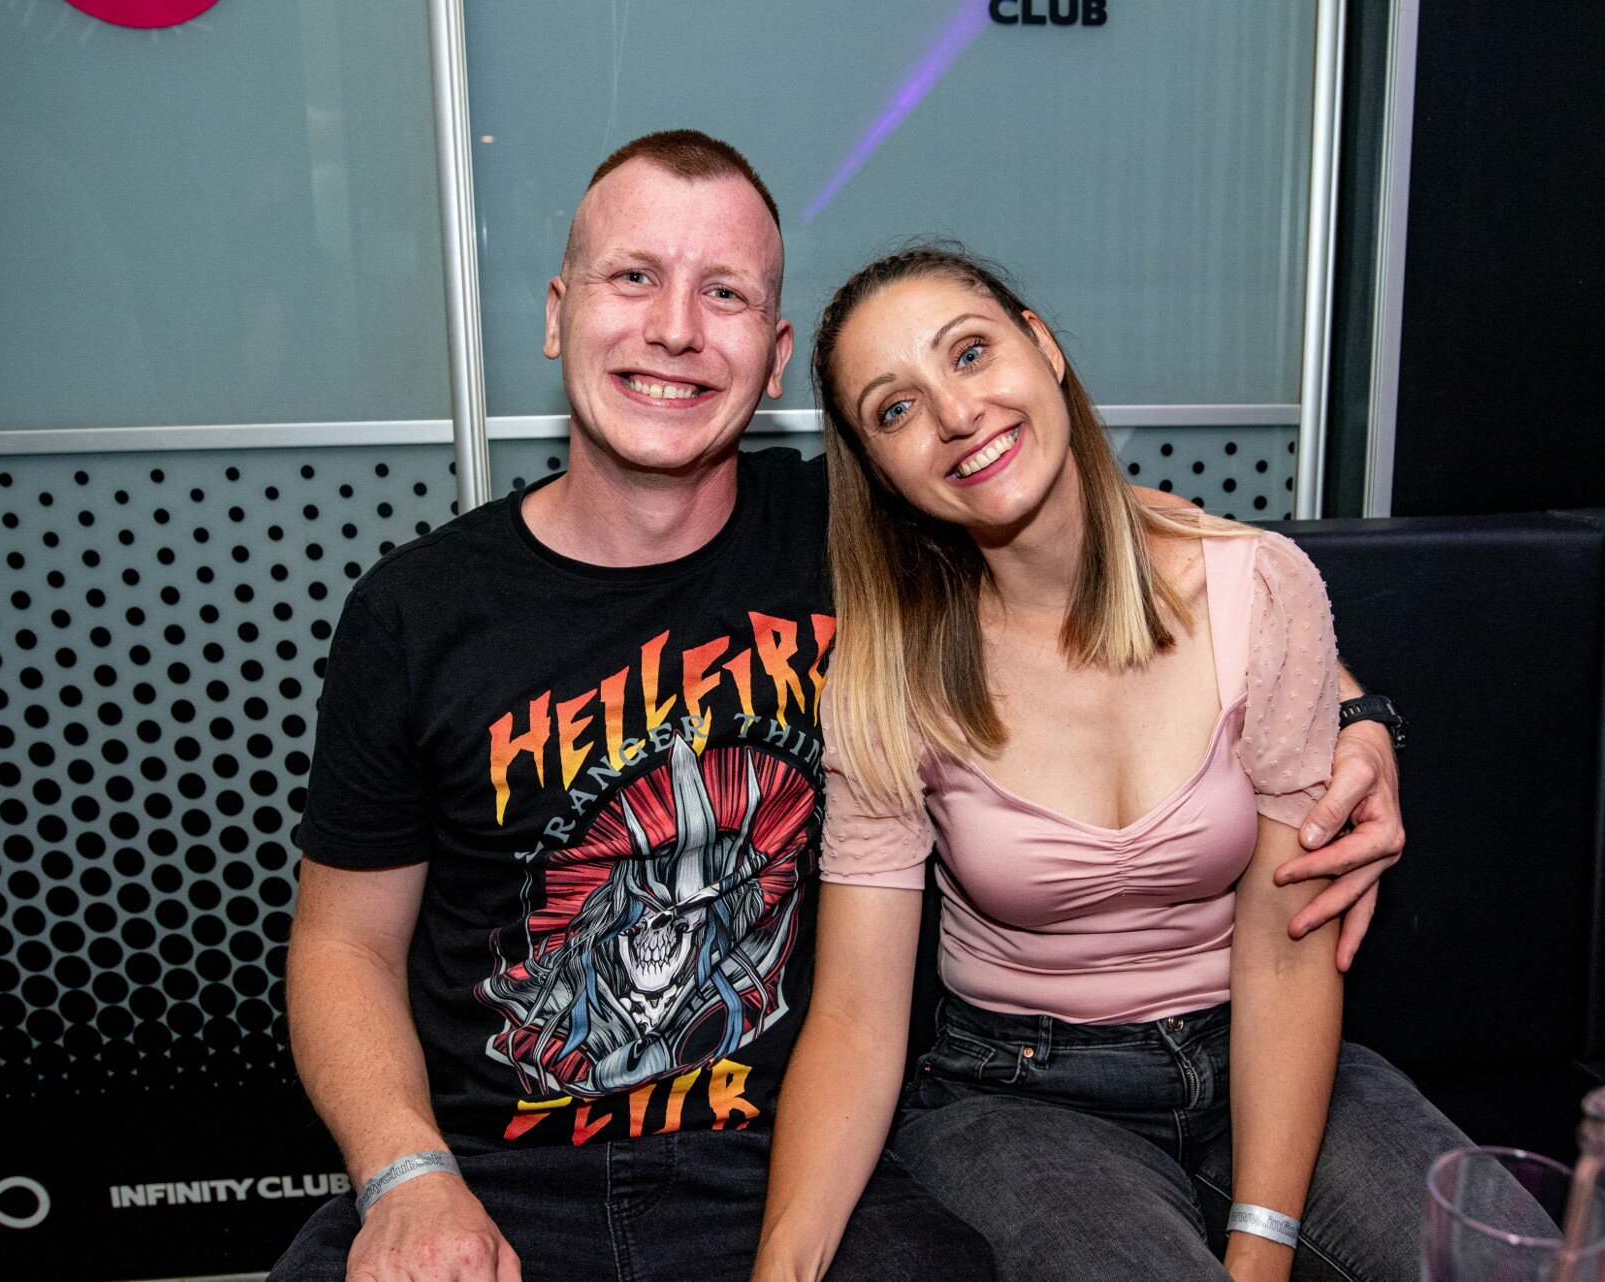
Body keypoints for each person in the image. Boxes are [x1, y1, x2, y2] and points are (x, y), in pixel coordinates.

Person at [270, 131, 1407, 1282]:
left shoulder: (864, 530)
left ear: (771, 359)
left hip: (770, 1158)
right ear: (560, 313)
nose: (675, 327)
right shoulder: (416, 613)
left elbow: (1127, 546)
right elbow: (341, 944)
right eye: (634, 277)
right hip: (489, 1168)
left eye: (723, 292)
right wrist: (405, 1173)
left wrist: (1358, 718)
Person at [752, 246, 1465, 1282]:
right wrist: (782, 1266)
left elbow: (1285, 950)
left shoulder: (1258, 589)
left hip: (1263, 1049)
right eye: (895, 409)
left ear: (1043, 347)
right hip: (1016, 1094)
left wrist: (1260, 1253)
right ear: (876, 469)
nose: (956, 414)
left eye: (970, 352)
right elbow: (858, 1016)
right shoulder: (886, 673)